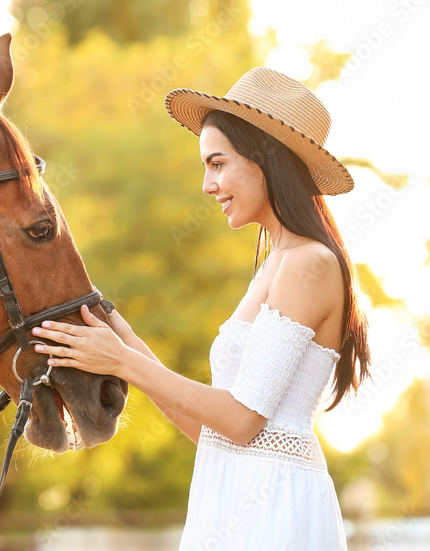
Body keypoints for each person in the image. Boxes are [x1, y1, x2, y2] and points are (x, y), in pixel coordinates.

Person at [31, 67, 370, 549]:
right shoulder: (277, 263)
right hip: (231, 501)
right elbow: (214, 432)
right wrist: (116, 328)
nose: (207, 186)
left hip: (274, 512)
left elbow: (241, 420)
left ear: (266, 160)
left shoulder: (309, 263)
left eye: (217, 163)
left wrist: (120, 360)